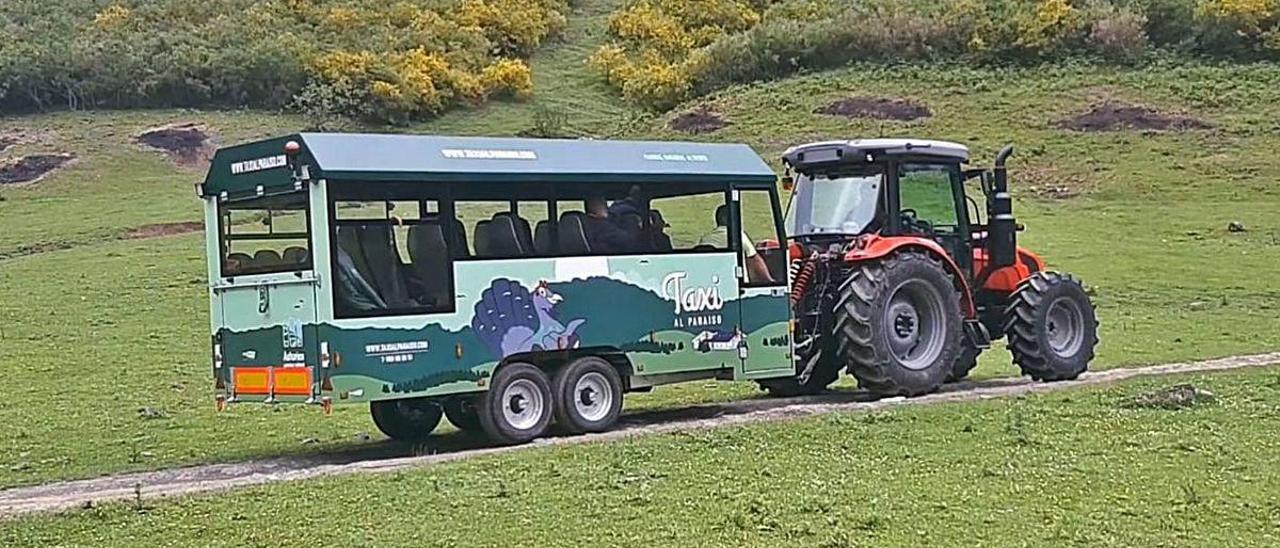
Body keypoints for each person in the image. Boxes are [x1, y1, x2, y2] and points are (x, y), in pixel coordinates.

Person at [699, 204, 773, 284]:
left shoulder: (705, 239)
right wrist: (771, 282)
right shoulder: (738, 235)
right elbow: (754, 260)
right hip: (738, 286)